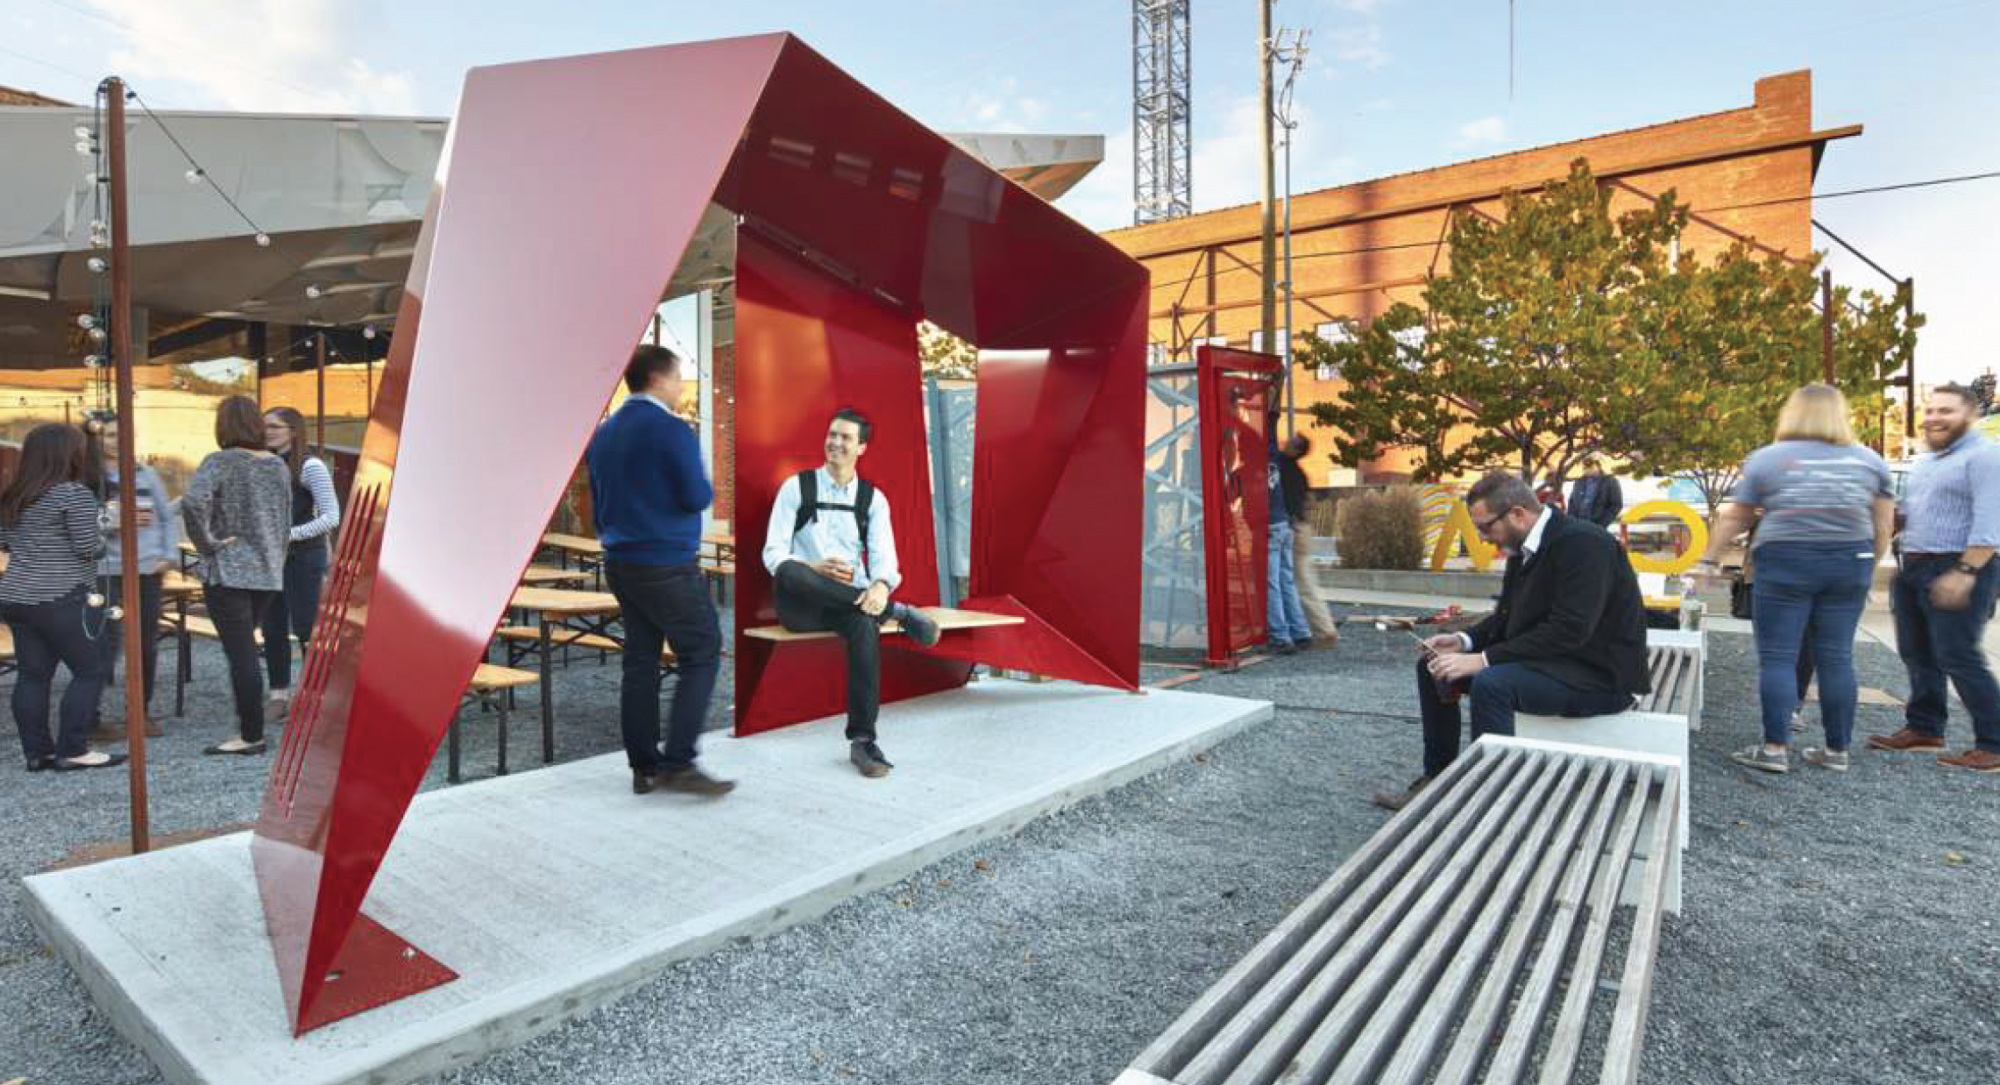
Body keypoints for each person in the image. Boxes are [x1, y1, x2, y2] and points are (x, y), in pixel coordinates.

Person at [1373, 472, 1648, 810]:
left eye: (1486, 527)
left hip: (1600, 675)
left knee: (1493, 684)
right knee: (1433, 665)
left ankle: (1490, 804)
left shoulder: (1585, 543)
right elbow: (1506, 616)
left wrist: (1483, 659)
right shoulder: (1525, 546)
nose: (1483, 537)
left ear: (1518, 513)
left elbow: (1570, 630)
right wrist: (1463, 641)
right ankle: (1438, 781)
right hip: (1555, 663)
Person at [1694, 384, 1894, 773]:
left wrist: (1708, 560)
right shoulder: (1870, 461)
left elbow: (1738, 515)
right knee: (1837, 657)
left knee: (1779, 658)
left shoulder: (1768, 459)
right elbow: (1883, 525)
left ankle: (1774, 749)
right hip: (1849, 561)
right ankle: (1837, 751)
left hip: (1786, 561)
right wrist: (1868, 571)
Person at [585, 345, 733, 796]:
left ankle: (644, 766)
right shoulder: (673, 431)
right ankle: (680, 761)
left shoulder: (604, 434)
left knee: (641, 661)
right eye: (678, 376)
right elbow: (696, 496)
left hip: (621, 562)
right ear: (658, 379)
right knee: (703, 649)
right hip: (665, 561)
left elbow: (598, 503)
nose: (680, 384)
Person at [761, 407, 940, 778]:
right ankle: (898, 612)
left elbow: (886, 562)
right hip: (802, 603)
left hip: (849, 602)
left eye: (846, 438)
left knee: (864, 627)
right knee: (791, 570)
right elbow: (772, 554)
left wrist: (879, 585)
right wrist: (814, 567)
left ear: (862, 448)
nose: (836, 443)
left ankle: (863, 742)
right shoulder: (798, 487)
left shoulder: (873, 500)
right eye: (832, 435)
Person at [1866, 384, 2000, 771]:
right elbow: (1912, 512)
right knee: (1916, 651)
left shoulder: (1985, 457)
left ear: (1970, 415)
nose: (1934, 418)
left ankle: (1993, 743)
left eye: (1946, 411)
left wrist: (1966, 571)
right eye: (1930, 410)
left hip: (1959, 565)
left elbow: (1992, 520)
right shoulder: (1926, 461)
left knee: (1958, 654)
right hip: (1915, 564)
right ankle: (1925, 727)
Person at [2, 422, 120, 772]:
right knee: (91, 669)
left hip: (16, 595)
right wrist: (107, 526)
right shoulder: (74, 494)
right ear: (68, 454)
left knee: (32, 675)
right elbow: (88, 549)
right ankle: (73, 749)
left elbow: (6, 541)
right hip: (61, 594)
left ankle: (37, 754)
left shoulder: (14, 495)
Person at [182, 395, 292, 756]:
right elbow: (284, 520)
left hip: (229, 572)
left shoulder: (220, 461)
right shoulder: (278, 466)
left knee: (241, 654)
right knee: (246, 649)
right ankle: (252, 732)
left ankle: (251, 736)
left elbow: (192, 502)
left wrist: (207, 544)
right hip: (267, 573)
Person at [86, 420, 179, 741]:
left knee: (145, 644)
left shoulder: (145, 473)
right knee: (103, 644)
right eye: (110, 434)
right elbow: (82, 526)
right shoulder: (89, 478)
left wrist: (168, 554)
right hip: (106, 572)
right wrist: (116, 520)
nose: (116, 440)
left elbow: (166, 517)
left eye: (122, 433)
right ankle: (90, 716)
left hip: (146, 570)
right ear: (98, 439)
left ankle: (140, 712)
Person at [258, 406, 340, 721]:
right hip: (271, 558)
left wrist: (288, 534)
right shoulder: (262, 464)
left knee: (307, 626)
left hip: (303, 557)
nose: (268, 432)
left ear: (293, 431)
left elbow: (332, 516)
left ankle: (315, 695)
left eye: (275, 427)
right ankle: (278, 694)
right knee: (272, 627)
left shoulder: (311, 466)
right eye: (264, 426)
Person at [1283, 433, 1337, 645]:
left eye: (1290, 441)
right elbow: (1309, 502)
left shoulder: (1285, 467)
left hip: (1295, 529)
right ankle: (1315, 629)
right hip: (1302, 529)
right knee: (1303, 581)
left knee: (1303, 583)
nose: (1285, 442)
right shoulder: (1299, 473)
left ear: (1296, 450)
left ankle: (1324, 631)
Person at [1264, 423, 1312, 654]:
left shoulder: (1271, 461)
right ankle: (1300, 631)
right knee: (1286, 581)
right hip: (1284, 524)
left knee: (1272, 583)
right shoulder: (1280, 463)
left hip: (1271, 525)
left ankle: (1280, 636)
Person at [1567, 457, 1624, 528]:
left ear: (1598, 466)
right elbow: (1572, 502)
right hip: (1578, 525)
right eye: (1585, 467)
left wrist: (1602, 524)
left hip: (1597, 525)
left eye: (1591, 466)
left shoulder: (1610, 481)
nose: (1588, 469)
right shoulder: (1579, 481)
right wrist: (1571, 521)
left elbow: (1616, 505)